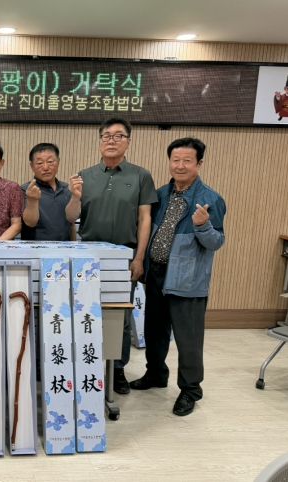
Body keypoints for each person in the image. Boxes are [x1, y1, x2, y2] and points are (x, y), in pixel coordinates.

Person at [129, 137, 226, 416]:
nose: (180, 166)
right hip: (157, 274)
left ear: (199, 164)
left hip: (188, 280)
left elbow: (216, 242)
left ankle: (191, 390)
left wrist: (203, 226)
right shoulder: (160, 195)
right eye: (176, 160)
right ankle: (156, 374)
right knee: (155, 331)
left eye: (187, 161)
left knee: (188, 338)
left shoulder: (210, 199)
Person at [66, 117, 158, 395]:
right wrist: (75, 196)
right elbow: (71, 217)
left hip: (123, 259)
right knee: (86, 311)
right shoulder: (85, 175)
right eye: (106, 135)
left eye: (119, 136)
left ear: (128, 142)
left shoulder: (140, 176)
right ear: (99, 141)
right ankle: (87, 364)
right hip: (88, 258)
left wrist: (139, 258)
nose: (111, 140)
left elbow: (145, 219)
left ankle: (117, 369)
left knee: (121, 316)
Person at [21, 143, 73, 241]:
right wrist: (32, 200)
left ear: (58, 162)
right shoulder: (25, 190)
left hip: (64, 248)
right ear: (32, 166)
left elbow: (71, 223)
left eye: (50, 162)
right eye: (39, 163)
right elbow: (30, 223)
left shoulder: (66, 189)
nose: (45, 167)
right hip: (36, 248)